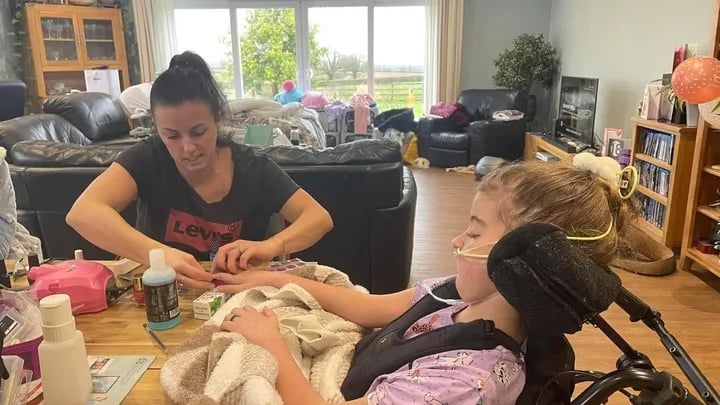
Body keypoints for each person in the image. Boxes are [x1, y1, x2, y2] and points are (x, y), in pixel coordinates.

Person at [210, 158, 637, 405]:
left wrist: (271, 344)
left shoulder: (466, 380)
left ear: (524, 261)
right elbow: (370, 307)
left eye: (473, 232)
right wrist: (272, 278)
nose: (456, 240)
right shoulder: (459, 294)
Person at [67, 51, 333, 289]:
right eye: (171, 136)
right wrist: (158, 254)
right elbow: (83, 213)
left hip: (234, 298)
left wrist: (270, 246)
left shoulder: (254, 168)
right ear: (157, 128)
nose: (188, 148)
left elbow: (319, 218)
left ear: (218, 117)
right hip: (159, 300)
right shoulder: (148, 157)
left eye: (198, 132)